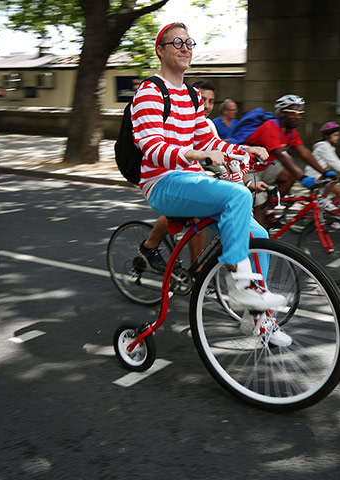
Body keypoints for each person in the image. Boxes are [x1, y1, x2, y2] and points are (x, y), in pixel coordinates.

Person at [132, 23, 290, 345]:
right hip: (161, 182)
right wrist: (195, 153)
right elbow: (152, 148)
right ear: (160, 50)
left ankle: (257, 320)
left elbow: (211, 141)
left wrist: (243, 151)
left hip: (189, 178)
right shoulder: (149, 92)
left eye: (189, 41)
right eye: (176, 42)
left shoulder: (190, 96)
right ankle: (239, 284)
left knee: (258, 234)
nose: (185, 46)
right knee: (236, 195)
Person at [242, 94, 335, 224]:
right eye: (293, 113)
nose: (298, 117)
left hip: (265, 167)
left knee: (290, 176)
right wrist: (302, 177)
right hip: (248, 170)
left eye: (299, 113)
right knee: (260, 204)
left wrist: (323, 172)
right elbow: (281, 155)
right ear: (281, 113)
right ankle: (257, 239)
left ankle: (270, 210)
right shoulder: (270, 126)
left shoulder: (290, 132)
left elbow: (305, 153)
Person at [307, 122, 340, 203]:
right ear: (327, 136)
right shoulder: (324, 147)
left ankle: (328, 212)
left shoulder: (329, 146)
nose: (337, 137)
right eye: (335, 135)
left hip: (321, 175)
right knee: (335, 176)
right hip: (315, 176)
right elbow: (334, 162)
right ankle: (323, 199)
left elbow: (337, 161)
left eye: (338, 135)